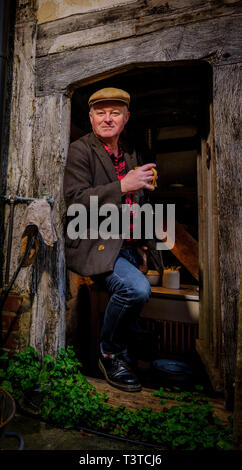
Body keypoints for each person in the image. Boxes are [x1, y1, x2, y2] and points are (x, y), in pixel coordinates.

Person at [63, 87, 163, 392]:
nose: (108, 119)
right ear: (91, 118)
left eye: (115, 112)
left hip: (131, 248)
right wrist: (123, 185)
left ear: (126, 117)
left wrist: (146, 243)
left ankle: (129, 353)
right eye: (101, 113)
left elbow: (139, 201)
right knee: (135, 290)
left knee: (137, 299)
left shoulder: (131, 151)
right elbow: (75, 202)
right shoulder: (80, 150)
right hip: (97, 246)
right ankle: (109, 353)